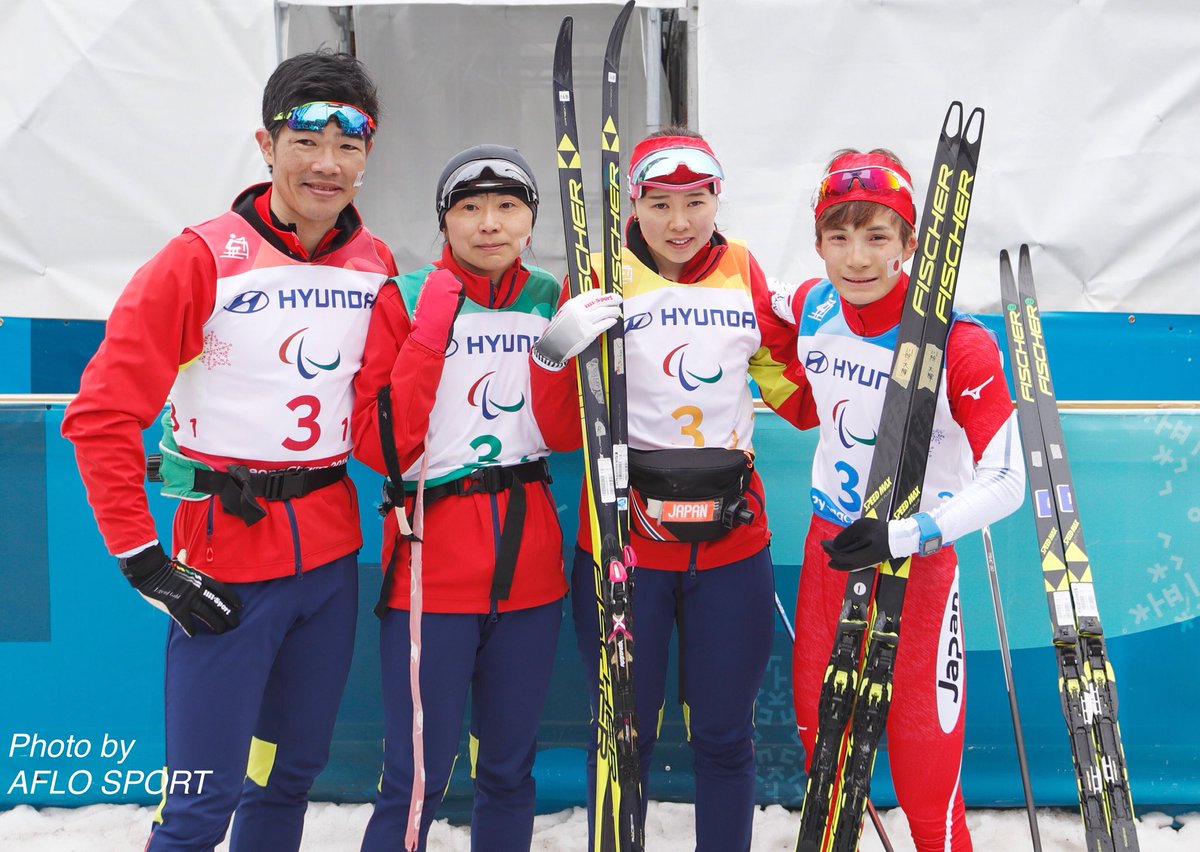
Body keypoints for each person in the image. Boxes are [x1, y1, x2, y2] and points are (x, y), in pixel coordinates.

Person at [61, 50, 394, 851]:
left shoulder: (375, 263)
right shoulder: (201, 257)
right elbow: (102, 414)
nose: (327, 164)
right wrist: (146, 564)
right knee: (201, 806)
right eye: (306, 139)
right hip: (227, 561)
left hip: (329, 560)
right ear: (266, 143)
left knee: (289, 776)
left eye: (349, 145)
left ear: (368, 155)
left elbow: (393, 415)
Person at [530, 127, 812, 851]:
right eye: (660, 204)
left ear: (719, 199)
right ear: (635, 203)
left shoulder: (744, 272)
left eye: (696, 201)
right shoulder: (600, 272)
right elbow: (563, 431)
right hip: (628, 546)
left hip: (730, 547)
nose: (679, 222)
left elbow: (799, 398)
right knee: (624, 736)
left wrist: (833, 325)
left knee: (724, 733)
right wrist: (556, 348)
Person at [778, 148, 1025, 851]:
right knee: (824, 769)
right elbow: (754, 313)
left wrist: (910, 534)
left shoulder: (959, 343)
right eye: (839, 236)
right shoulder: (810, 303)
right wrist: (789, 396)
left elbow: (1009, 479)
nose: (856, 257)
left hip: (915, 572)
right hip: (829, 558)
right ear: (819, 241)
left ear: (911, 244)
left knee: (926, 788)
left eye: (877, 236)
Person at [351, 145, 567, 852]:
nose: (488, 224)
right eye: (468, 207)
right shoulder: (408, 294)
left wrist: (563, 354)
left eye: (508, 206)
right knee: (417, 776)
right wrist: (433, 327)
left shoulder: (547, 299)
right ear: (445, 221)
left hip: (528, 559)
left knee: (508, 770)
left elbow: (562, 434)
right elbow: (383, 446)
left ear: (530, 221)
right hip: (431, 563)